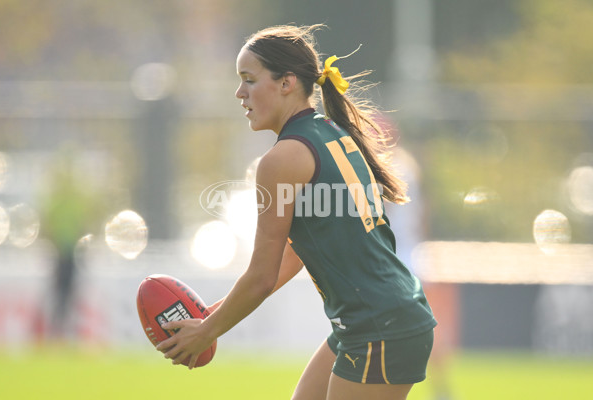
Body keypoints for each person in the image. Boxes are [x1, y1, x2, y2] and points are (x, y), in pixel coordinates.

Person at [156, 24, 437, 400]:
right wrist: (211, 315)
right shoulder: (331, 132)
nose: (239, 93)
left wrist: (207, 332)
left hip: (378, 326)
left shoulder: (282, 160)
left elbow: (261, 276)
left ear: (286, 82)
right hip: (378, 319)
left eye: (249, 80)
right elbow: (292, 256)